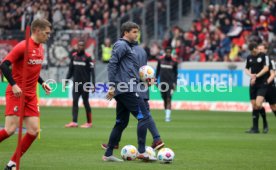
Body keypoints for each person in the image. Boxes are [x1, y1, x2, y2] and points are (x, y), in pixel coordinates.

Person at [0, 18, 52, 170]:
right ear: (37, 30)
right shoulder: (23, 46)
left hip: (31, 95)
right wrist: (14, 85)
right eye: (47, 33)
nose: (48, 36)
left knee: (33, 131)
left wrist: (42, 83)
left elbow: (32, 70)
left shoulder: (41, 47)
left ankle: (12, 164)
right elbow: (3, 65)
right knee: (10, 130)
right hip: (17, 93)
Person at [103, 21, 153, 162]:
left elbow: (129, 69)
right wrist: (112, 86)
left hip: (126, 88)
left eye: (137, 32)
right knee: (143, 117)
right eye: (134, 32)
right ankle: (142, 151)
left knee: (121, 122)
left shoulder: (128, 47)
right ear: (125, 33)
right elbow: (112, 64)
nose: (137, 34)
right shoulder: (121, 45)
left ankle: (108, 154)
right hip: (127, 89)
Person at [101, 42, 165, 151]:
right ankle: (114, 143)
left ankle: (155, 140)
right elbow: (144, 70)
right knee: (126, 118)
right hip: (141, 87)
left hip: (130, 89)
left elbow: (129, 70)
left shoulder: (126, 50)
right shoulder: (142, 51)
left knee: (142, 117)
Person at [64, 41, 95, 128]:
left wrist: (93, 84)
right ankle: (74, 122)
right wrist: (66, 80)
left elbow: (92, 72)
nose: (80, 47)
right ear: (77, 46)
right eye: (79, 45)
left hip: (85, 84)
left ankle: (89, 123)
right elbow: (70, 70)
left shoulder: (88, 57)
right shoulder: (74, 56)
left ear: (84, 47)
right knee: (75, 101)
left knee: (85, 102)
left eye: (82, 45)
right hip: (76, 84)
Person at [245, 42, 270, 133]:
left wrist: (256, 76)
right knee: (254, 105)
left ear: (257, 48)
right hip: (253, 83)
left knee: (258, 104)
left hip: (262, 83)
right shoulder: (249, 57)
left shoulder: (264, 56)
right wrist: (251, 75)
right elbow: (246, 69)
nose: (253, 53)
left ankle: (265, 122)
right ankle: (255, 128)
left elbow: (266, 68)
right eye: (251, 52)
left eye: (254, 51)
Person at [257, 43, 276, 133]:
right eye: (259, 49)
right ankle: (265, 123)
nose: (260, 51)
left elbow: (273, 74)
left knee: (273, 107)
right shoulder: (256, 61)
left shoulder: (270, 61)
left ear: (266, 50)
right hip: (261, 87)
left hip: (270, 86)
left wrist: (266, 82)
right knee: (258, 104)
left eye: (262, 49)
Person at [155, 47, 178, 122]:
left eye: (169, 52)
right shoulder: (160, 60)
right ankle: (167, 114)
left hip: (170, 83)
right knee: (164, 99)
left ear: (171, 52)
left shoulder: (174, 62)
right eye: (167, 52)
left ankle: (167, 117)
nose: (168, 54)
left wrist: (175, 83)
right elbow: (157, 71)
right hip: (162, 83)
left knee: (168, 99)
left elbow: (175, 74)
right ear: (165, 52)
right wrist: (155, 80)